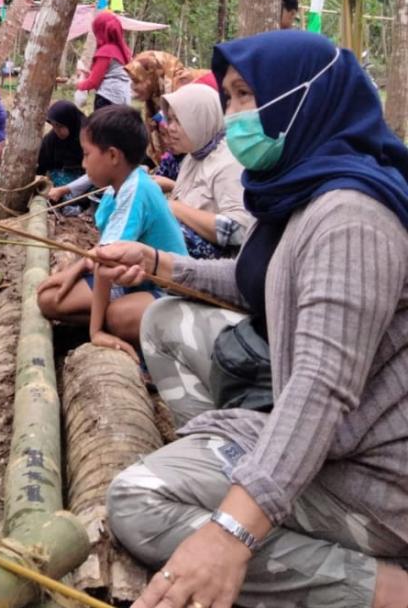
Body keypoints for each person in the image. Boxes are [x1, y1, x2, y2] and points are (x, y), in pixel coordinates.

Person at [98, 30, 408, 608]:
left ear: (305, 96)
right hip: (330, 435)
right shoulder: (305, 187)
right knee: (163, 321)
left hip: (372, 480)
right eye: (229, 97)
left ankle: (384, 588)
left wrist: (232, 532)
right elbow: (256, 279)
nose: (235, 114)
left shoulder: (351, 219)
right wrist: (158, 263)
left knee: (138, 500)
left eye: (246, 95)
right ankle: (236, 472)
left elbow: (321, 385)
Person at [36, 106, 186, 354]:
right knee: (48, 298)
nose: (83, 163)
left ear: (113, 156)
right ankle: (111, 321)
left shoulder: (136, 191)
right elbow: (104, 250)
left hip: (167, 291)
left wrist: (96, 331)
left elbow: (106, 262)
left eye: (87, 154)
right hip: (131, 280)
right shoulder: (115, 188)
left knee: (117, 317)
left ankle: (113, 330)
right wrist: (75, 269)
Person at [161, 83, 250, 259]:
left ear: (201, 119)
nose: (170, 128)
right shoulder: (193, 156)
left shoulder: (228, 162)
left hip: (215, 267)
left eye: (179, 120)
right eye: (170, 119)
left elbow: (239, 230)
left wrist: (174, 207)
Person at [125, 50, 187, 164]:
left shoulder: (182, 96)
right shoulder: (154, 100)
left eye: (137, 81)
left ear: (153, 77)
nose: (132, 87)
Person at [75, 11, 133, 110]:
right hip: (123, 100)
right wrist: (88, 74)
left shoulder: (106, 51)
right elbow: (111, 75)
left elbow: (93, 82)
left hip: (107, 99)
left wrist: (78, 85)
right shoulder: (123, 51)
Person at [37, 100, 86, 189]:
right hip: (58, 182)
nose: (57, 131)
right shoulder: (51, 139)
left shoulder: (87, 137)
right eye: (54, 126)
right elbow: (41, 165)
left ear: (70, 122)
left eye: (60, 126)